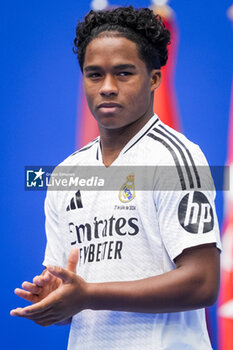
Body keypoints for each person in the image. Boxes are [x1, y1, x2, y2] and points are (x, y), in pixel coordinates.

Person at [11, 6, 221, 350]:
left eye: (124, 73)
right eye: (94, 75)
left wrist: (89, 295)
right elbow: (72, 299)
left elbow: (203, 283)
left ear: (154, 78)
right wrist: (56, 300)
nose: (107, 87)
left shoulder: (174, 158)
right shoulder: (65, 175)